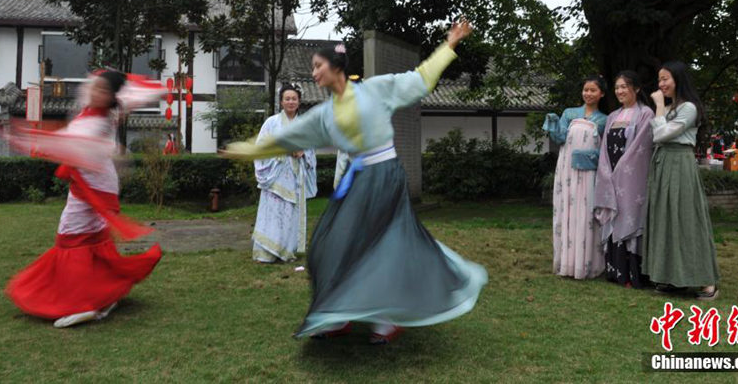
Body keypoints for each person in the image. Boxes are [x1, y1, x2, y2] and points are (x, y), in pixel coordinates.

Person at [222, 18, 487, 345]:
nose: (314, 73)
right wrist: (243, 151)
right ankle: (338, 315)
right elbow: (285, 140)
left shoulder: (375, 90)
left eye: (318, 66)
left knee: (380, 245)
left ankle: (384, 319)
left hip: (387, 177)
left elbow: (420, 79)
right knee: (329, 244)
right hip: (359, 181)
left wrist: (450, 45)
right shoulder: (323, 114)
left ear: (336, 68)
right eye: (313, 68)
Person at [4, 70, 164, 327]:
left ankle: (82, 302)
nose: (93, 91)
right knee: (92, 237)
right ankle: (104, 294)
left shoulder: (96, 122)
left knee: (69, 238)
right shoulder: (96, 113)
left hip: (92, 187)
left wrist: (29, 137)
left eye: (101, 90)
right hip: (96, 183)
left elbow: (69, 143)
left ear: (111, 97)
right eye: (93, 86)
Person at [644, 61, 720, 300]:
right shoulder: (672, 109)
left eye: (665, 79)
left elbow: (661, 134)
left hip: (680, 163)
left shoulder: (689, 108)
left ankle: (707, 281)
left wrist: (657, 105)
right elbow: (658, 135)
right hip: (664, 164)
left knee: (687, 219)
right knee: (666, 219)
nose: (661, 84)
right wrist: (662, 110)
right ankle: (672, 278)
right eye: (659, 79)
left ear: (678, 79)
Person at [543, 76, 608, 280]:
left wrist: (590, 157)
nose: (588, 94)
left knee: (587, 213)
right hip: (567, 170)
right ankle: (567, 262)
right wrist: (553, 123)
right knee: (567, 211)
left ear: (602, 94)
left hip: (589, 172)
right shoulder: (569, 113)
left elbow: (605, 149)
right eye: (585, 90)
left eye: (593, 90)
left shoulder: (604, 119)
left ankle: (587, 263)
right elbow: (560, 138)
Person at [593, 71, 654, 289]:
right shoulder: (612, 117)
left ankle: (633, 275)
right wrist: (606, 170)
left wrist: (620, 169)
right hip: (610, 175)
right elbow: (603, 150)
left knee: (629, 216)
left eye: (624, 86)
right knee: (614, 216)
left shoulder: (646, 114)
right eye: (617, 87)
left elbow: (640, 147)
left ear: (636, 89)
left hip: (630, 178)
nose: (619, 91)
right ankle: (616, 272)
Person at [251, 84, 317, 263]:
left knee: (290, 213)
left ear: (299, 102)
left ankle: (286, 251)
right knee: (273, 212)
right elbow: (261, 148)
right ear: (281, 101)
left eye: (294, 99)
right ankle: (266, 252)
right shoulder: (271, 123)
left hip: (295, 175)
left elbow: (311, 148)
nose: (290, 102)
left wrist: (303, 152)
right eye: (287, 98)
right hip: (276, 175)